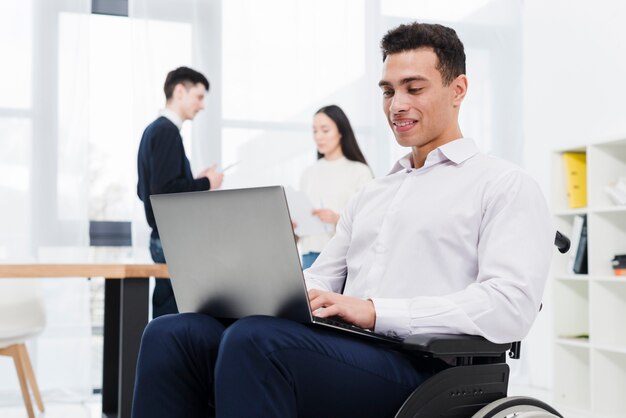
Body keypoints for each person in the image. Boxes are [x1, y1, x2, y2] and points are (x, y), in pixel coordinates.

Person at [132, 22, 553, 418]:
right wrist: (271, 294)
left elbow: (509, 306)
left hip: (428, 369)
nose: (397, 104)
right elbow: (322, 278)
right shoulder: (372, 194)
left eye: (414, 88)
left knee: (256, 342)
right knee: (172, 333)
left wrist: (374, 311)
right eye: (388, 91)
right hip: (349, 348)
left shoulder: (503, 184)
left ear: (458, 89)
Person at [137, 66, 224, 318]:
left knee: (167, 314)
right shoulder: (167, 132)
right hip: (172, 239)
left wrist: (192, 181)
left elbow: (146, 190)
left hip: (162, 238)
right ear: (179, 91)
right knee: (176, 318)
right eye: (199, 96)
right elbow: (165, 192)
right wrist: (207, 183)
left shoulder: (152, 131)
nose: (202, 105)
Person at [299, 105, 373, 269]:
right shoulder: (308, 173)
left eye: (325, 130)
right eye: (315, 131)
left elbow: (368, 222)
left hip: (342, 257)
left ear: (341, 132)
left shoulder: (359, 171)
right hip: (309, 256)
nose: (318, 137)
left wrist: (336, 219)